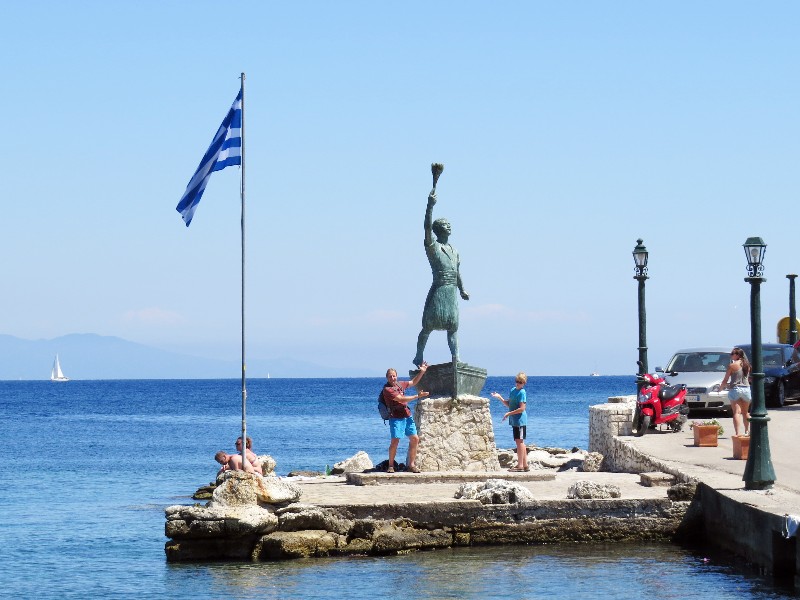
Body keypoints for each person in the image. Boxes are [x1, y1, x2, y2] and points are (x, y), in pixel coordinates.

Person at [413, 189, 469, 367]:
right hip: (439, 289)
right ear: (438, 230)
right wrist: (430, 206)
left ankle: (456, 357)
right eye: (445, 224)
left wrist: (462, 289)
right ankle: (419, 355)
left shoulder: (455, 250)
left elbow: (457, 271)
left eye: (449, 223)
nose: (449, 226)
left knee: (453, 327)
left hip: (451, 292)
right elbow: (426, 228)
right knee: (428, 325)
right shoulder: (433, 247)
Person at [383, 363, 430, 473]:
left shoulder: (400, 385)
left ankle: (411, 465)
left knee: (415, 439)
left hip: (407, 415)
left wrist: (422, 371)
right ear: (387, 378)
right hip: (396, 417)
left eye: (394, 375)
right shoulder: (388, 389)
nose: (392, 378)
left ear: (397, 376)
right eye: (390, 376)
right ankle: (391, 465)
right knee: (395, 441)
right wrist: (417, 396)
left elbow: (413, 382)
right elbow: (401, 399)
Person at [491, 372, 529, 472]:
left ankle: (520, 465)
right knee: (519, 441)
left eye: (520, 382)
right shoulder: (513, 390)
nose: (518, 383)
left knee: (519, 442)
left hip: (520, 420)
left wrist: (509, 414)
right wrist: (500, 397)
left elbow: (522, 408)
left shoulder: (522, 392)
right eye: (517, 381)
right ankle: (525, 465)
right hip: (514, 420)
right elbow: (510, 404)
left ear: (524, 383)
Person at [719, 347, 751, 437]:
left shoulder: (732, 366)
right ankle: (747, 431)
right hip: (746, 389)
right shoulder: (747, 365)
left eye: (732, 353)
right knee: (746, 412)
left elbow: (725, 380)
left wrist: (720, 389)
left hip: (736, 389)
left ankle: (737, 433)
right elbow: (747, 378)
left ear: (737, 355)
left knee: (737, 412)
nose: (731, 355)